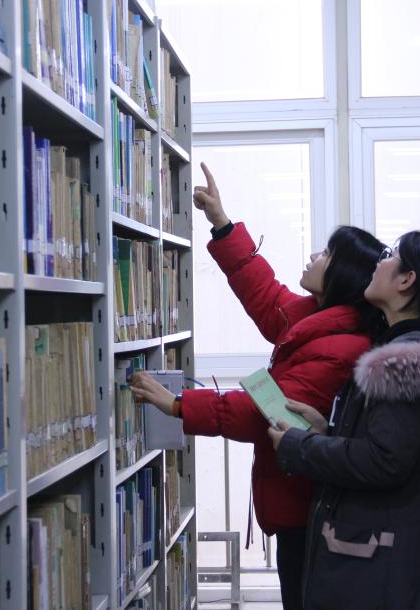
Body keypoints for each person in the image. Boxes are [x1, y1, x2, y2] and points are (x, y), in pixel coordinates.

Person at [129, 163, 387, 610]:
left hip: (309, 509)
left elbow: (263, 413)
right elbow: (266, 296)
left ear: (343, 276)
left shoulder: (342, 347)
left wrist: (179, 405)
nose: (314, 256)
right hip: (297, 498)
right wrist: (222, 224)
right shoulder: (320, 320)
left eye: (327, 254)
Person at [267, 230, 420, 610]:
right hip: (418, 559)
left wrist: (299, 447)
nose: (378, 262)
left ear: (406, 280)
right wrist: (326, 431)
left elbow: (383, 461)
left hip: (401, 569)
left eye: (389, 254)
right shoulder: (418, 350)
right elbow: (397, 442)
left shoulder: (405, 361)